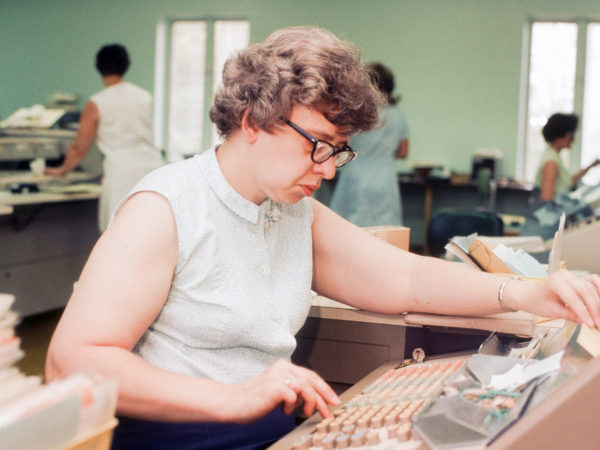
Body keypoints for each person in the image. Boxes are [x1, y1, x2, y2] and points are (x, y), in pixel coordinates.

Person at [45, 27, 600, 450]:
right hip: (182, 437)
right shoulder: (166, 207)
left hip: (273, 430)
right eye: (320, 144)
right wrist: (232, 399)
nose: (329, 169)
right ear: (253, 119)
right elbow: (72, 361)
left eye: (339, 150)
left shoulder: (291, 211)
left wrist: (524, 293)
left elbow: (401, 277)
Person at [44, 44, 165, 231]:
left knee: (118, 234)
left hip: (121, 173)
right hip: (154, 169)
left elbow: (78, 148)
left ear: (98, 67)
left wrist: (62, 171)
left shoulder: (97, 102)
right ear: (127, 65)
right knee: (153, 231)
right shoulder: (144, 96)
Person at [329, 62, 409, 226]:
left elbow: (339, 141)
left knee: (349, 229)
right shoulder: (399, 115)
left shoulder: (356, 113)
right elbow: (403, 152)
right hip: (384, 180)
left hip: (356, 176)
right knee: (385, 232)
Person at [535, 112, 600, 201]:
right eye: (570, 135)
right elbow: (547, 199)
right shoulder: (551, 162)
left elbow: (568, 182)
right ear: (559, 135)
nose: (573, 139)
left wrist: (591, 166)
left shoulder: (554, 156)